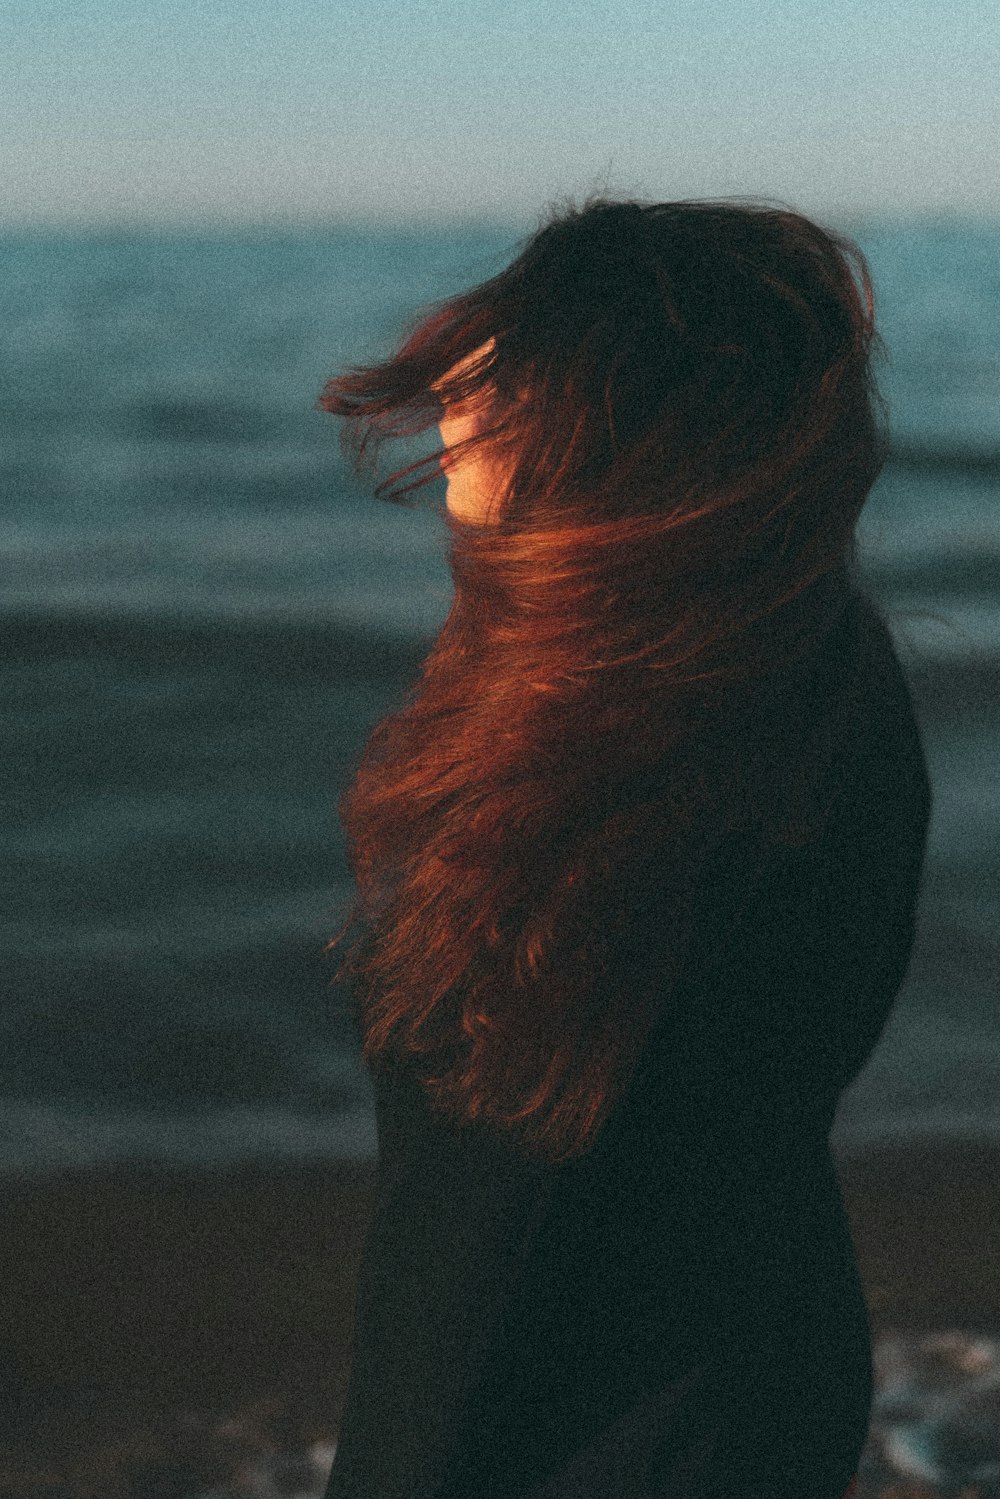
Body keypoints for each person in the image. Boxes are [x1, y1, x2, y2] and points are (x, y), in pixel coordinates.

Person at [316, 195, 932, 1498]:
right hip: (772, 1357)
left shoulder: (579, 809)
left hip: (596, 1445)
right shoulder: (821, 663)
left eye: (514, 360)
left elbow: (455, 1291)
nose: (458, 396)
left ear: (608, 423)